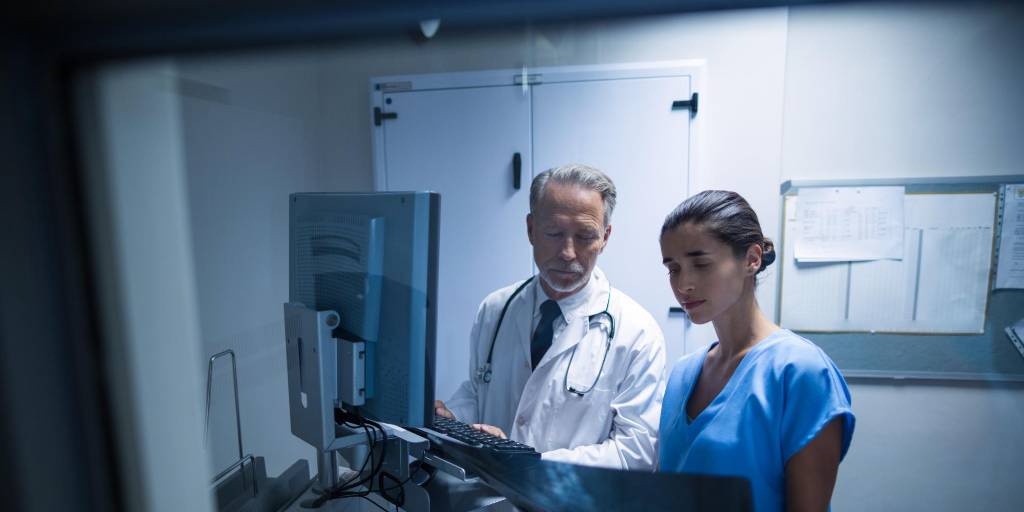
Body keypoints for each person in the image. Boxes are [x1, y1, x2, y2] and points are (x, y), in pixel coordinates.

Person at [434, 164, 667, 469]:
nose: (568, 252)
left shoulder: (637, 333)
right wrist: (454, 416)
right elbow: (479, 392)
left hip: (572, 494)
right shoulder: (495, 309)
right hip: (490, 492)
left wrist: (531, 465)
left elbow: (635, 453)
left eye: (585, 236)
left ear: (605, 237)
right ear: (531, 229)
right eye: (554, 233)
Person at [657, 190, 855, 511]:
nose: (683, 284)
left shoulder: (800, 372)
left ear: (752, 259)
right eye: (673, 268)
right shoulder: (682, 374)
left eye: (701, 264)